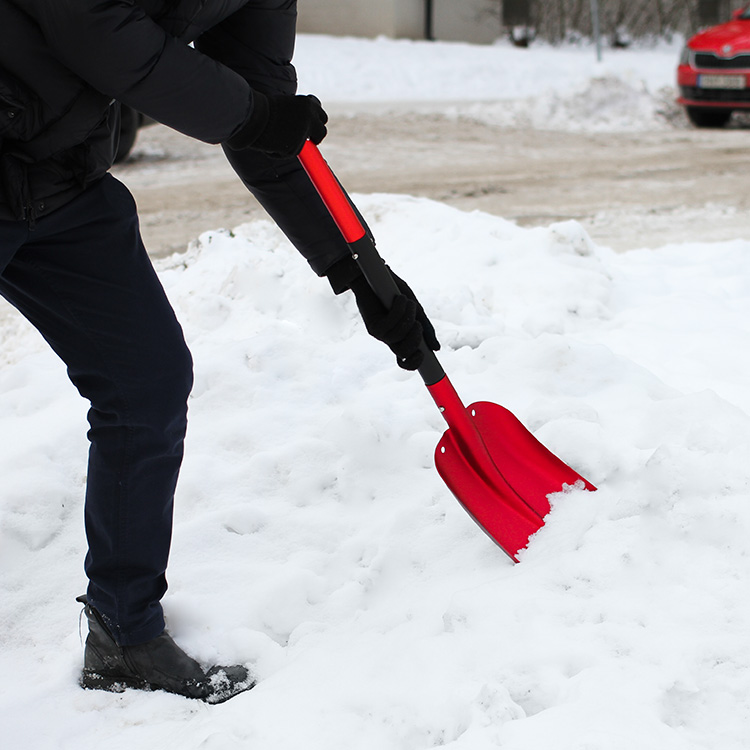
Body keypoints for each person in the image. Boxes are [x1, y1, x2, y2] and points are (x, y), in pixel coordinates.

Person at [0, 0, 439, 703]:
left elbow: (264, 119)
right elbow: (98, 29)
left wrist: (359, 272)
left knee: (144, 379)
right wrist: (252, 115)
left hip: (56, 185)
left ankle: (123, 633)